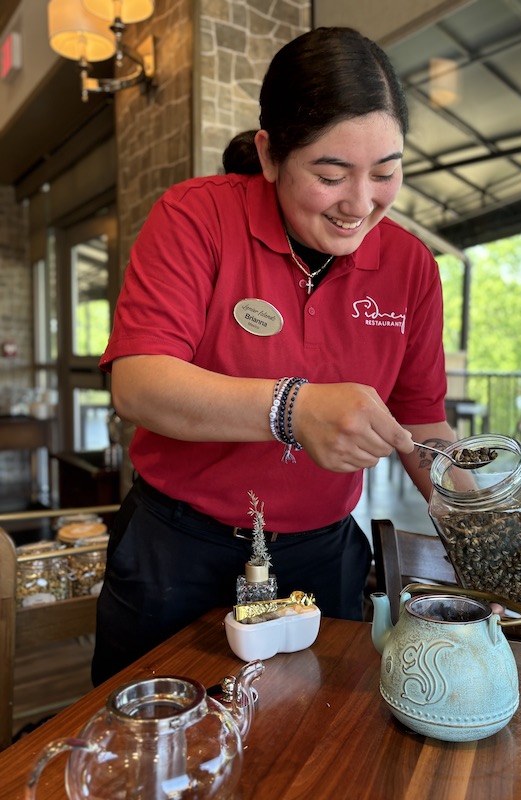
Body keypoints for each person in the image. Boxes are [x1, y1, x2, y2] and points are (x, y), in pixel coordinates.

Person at [91, 26, 458, 686]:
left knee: (317, 733)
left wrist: (478, 524)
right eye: (330, 175)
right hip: (178, 550)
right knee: (156, 735)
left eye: (385, 173)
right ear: (269, 155)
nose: (360, 203)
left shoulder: (410, 267)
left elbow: (421, 420)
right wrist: (292, 408)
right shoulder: (197, 218)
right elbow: (138, 383)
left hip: (322, 557)